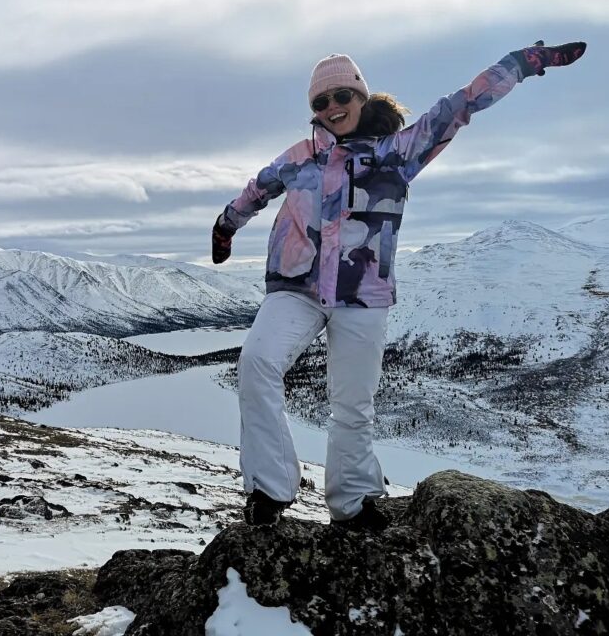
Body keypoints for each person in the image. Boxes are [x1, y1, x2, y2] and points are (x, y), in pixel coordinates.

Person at [212, 40, 587, 529]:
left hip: (362, 293)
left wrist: (521, 65)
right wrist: (226, 224)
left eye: (342, 96)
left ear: (362, 97)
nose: (332, 108)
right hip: (295, 285)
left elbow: (460, 107)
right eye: (320, 103)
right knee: (257, 364)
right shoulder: (301, 157)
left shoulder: (397, 153)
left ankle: (352, 503)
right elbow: (258, 188)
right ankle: (269, 490)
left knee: (352, 403)